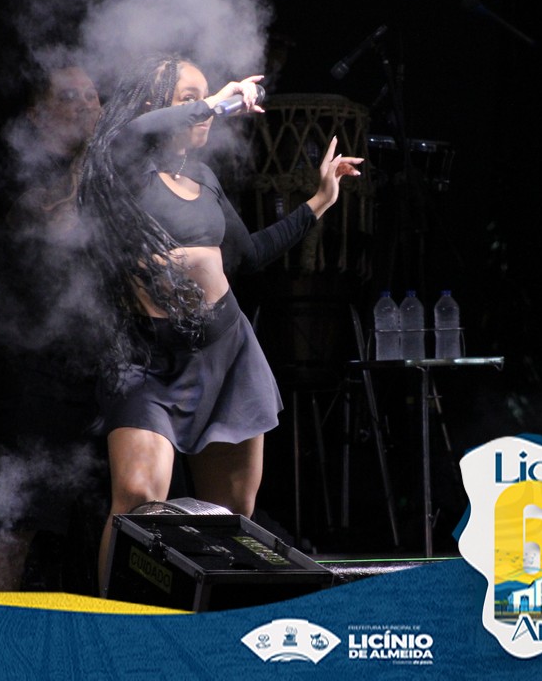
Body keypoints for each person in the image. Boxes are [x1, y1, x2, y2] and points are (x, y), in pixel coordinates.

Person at [76, 53, 361, 592]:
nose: (204, 110)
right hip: (150, 362)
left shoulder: (203, 179)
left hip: (226, 355)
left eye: (205, 98)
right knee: (137, 499)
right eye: (188, 98)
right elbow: (132, 132)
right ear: (155, 105)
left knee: (228, 514)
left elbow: (249, 256)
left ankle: (211, 630)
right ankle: (116, 623)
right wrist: (219, 101)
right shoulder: (123, 165)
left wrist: (320, 202)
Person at [0, 64, 104, 592]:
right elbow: (52, 223)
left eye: (93, 97)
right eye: (70, 96)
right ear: (37, 113)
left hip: (107, 368)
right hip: (41, 372)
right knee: (16, 517)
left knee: (124, 519)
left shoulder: (110, 168)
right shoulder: (19, 168)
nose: (87, 106)